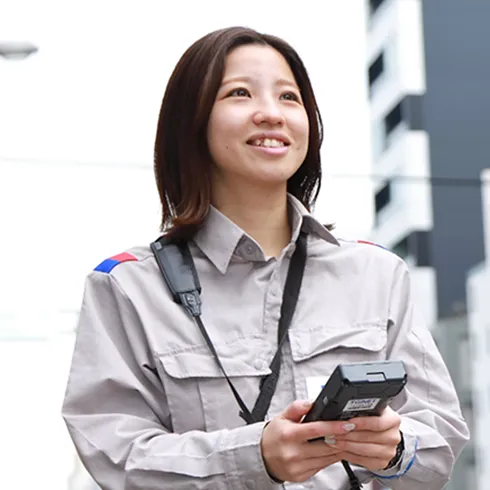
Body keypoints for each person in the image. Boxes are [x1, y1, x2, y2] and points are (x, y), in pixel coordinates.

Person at [62, 26, 469, 490]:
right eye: (239, 93)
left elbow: (439, 444)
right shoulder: (128, 287)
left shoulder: (377, 274)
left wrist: (395, 450)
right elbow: (117, 457)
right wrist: (254, 457)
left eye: (289, 98)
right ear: (191, 122)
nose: (271, 114)